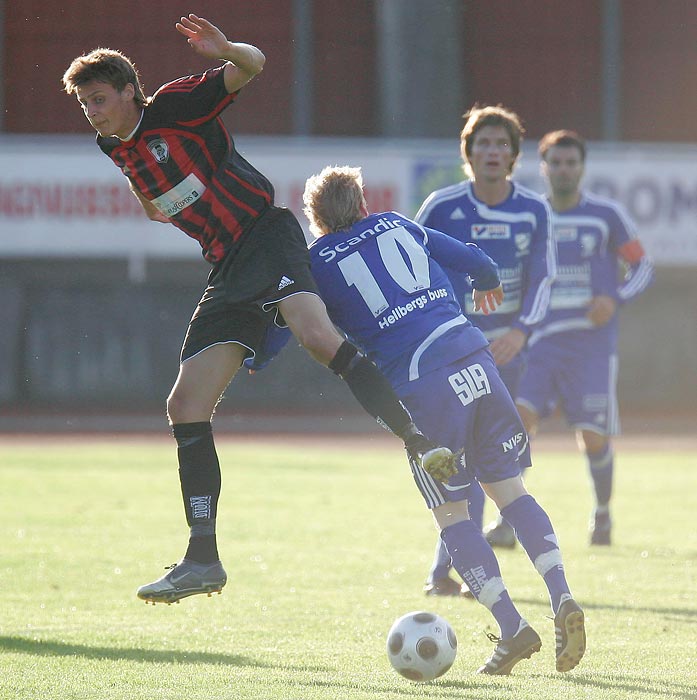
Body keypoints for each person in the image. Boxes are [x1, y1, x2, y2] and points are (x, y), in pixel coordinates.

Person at [61, 14, 456, 605]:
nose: (92, 111)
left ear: (127, 92)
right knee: (186, 404)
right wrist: (162, 199)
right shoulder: (111, 143)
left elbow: (253, 66)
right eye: (84, 103)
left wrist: (226, 50)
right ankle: (203, 558)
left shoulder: (173, 107)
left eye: (98, 99)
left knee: (317, 337)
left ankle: (418, 439)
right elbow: (152, 202)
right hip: (227, 268)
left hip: (265, 235)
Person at [295, 164, 585, 674]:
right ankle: (562, 595)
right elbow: (478, 262)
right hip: (475, 356)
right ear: (363, 205)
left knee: (452, 515)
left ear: (316, 221)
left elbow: (298, 325)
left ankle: (513, 627)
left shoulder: (314, 261)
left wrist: (252, 355)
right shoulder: (397, 224)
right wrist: (487, 284)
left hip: (421, 384)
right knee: (511, 492)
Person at [414, 104, 556, 595]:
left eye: (501, 144)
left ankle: (452, 567)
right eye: (483, 143)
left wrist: (520, 332)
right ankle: (453, 569)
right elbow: (414, 266)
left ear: (514, 155)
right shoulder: (441, 206)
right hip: (454, 350)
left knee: (494, 460)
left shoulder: (534, 209)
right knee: (461, 455)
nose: (492, 152)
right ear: (467, 152)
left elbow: (544, 278)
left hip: (511, 352)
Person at [516, 130, 654, 545]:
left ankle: (602, 513)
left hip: (591, 347)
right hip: (537, 344)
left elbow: (642, 267)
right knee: (519, 424)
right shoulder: (530, 216)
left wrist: (615, 298)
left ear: (582, 168)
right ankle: (510, 518)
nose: (563, 170)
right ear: (543, 167)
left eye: (570, 163)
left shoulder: (605, 216)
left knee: (592, 435)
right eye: (555, 163)